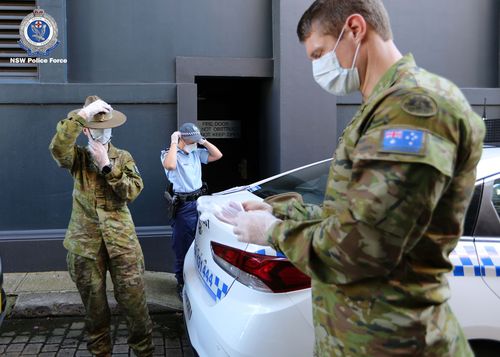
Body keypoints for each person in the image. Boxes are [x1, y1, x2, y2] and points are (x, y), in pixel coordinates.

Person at [216, 0, 486, 356]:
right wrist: (279, 212)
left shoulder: (414, 108)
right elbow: (349, 215)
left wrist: (271, 232)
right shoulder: (380, 107)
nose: (317, 67)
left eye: (319, 53)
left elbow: (363, 245)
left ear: (355, 30)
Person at [49, 96, 154, 357]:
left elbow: (131, 192)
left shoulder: (123, 157)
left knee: (134, 303)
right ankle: (100, 352)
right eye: (96, 127)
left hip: (122, 243)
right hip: (85, 245)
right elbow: (58, 148)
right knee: (94, 310)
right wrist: (81, 115)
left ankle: (144, 351)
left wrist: (107, 166)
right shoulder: (78, 159)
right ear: (86, 129)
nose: (103, 132)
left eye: (106, 127)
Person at [161, 122, 222, 300]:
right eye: (192, 140)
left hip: (200, 203)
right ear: (182, 138)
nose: (195, 142)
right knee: (183, 246)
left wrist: (202, 141)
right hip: (184, 206)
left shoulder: (196, 152)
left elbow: (218, 155)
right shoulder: (170, 154)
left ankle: (197, 279)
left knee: (201, 242)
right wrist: (174, 142)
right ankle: (181, 282)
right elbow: (170, 166)